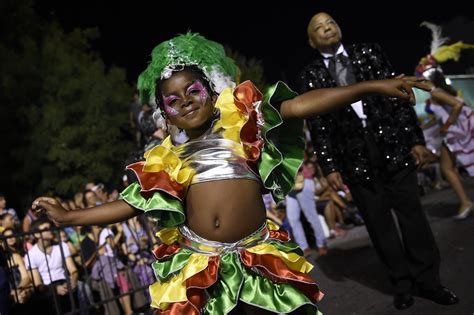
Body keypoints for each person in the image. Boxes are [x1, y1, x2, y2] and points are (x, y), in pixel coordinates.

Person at [32, 32, 428, 315]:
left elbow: (303, 104)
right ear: (163, 112)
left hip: (260, 258)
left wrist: (372, 86)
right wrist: (70, 217)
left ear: (210, 88)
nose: (185, 102)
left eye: (193, 91)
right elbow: (127, 205)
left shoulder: (243, 122)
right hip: (200, 267)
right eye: (172, 100)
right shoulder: (166, 157)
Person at [299, 12, 458, 310]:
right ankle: (401, 284)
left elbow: (400, 95)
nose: (328, 28)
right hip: (353, 157)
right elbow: (319, 125)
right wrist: (329, 166)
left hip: (392, 145)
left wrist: (416, 141)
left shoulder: (369, 52)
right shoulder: (310, 76)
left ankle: (430, 282)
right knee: (378, 223)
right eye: (319, 28)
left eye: (331, 22)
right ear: (311, 40)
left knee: (413, 217)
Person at [416, 21, 474, 220]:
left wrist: (447, 125)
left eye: (421, 76)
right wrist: (427, 126)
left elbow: (457, 106)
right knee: (449, 168)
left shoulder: (437, 92)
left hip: (456, 132)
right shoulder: (437, 93)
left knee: (447, 168)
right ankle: (465, 202)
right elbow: (445, 113)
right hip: (455, 131)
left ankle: (466, 202)